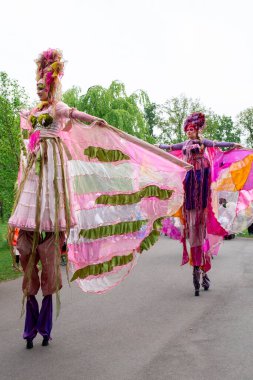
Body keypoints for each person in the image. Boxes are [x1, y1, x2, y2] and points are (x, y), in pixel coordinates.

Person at [9, 48, 189, 349]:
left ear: (52, 82)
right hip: (35, 175)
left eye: (44, 80)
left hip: (53, 173)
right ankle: (30, 321)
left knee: (50, 251)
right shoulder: (34, 111)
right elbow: (27, 129)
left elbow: (77, 116)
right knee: (27, 245)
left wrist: (96, 122)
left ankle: (45, 325)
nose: (40, 85)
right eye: (38, 80)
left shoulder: (58, 108)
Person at [159, 112, 241, 296]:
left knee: (201, 221)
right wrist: (156, 147)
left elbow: (217, 144)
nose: (189, 133)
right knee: (192, 220)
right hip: (189, 179)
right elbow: (169, 147)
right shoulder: (185, 145)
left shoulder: (203, 143)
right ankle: (199, 269)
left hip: (201, 177)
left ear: (197, 131)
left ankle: (202, 270)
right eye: (187, 130)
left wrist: (232, 145)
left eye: (191, 130)